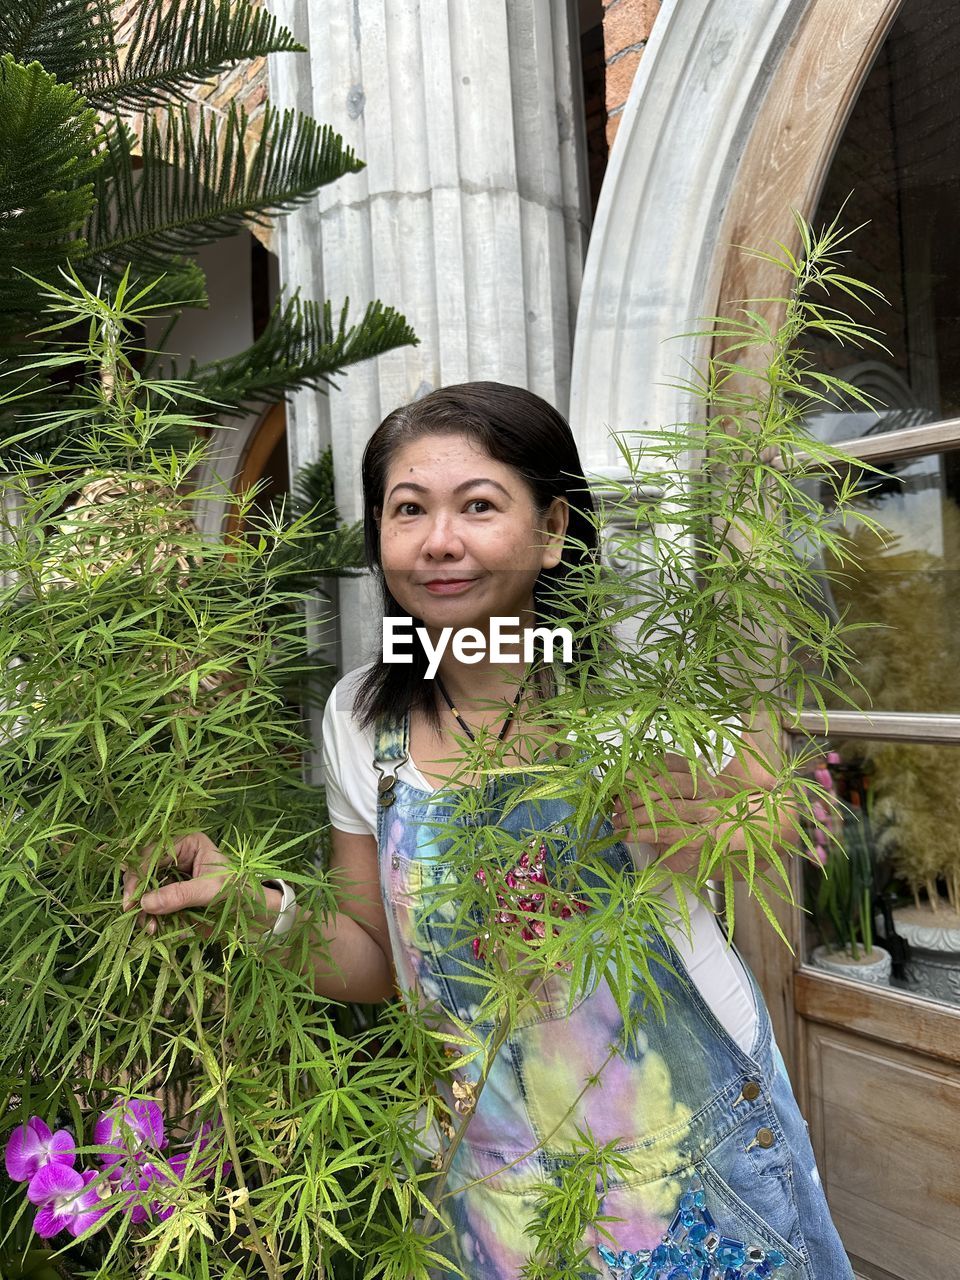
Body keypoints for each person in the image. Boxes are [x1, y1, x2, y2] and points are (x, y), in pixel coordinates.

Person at [130, 383, 854, 1280]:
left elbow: (788, 821)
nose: (440, 541)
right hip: (492, 1172)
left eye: (479, 506)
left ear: (552, 531)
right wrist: (250, 905)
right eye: (408, 510)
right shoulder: (361, 720)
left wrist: (753, 815)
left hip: (685, 1161)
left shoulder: (640, 705)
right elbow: (377, 965)